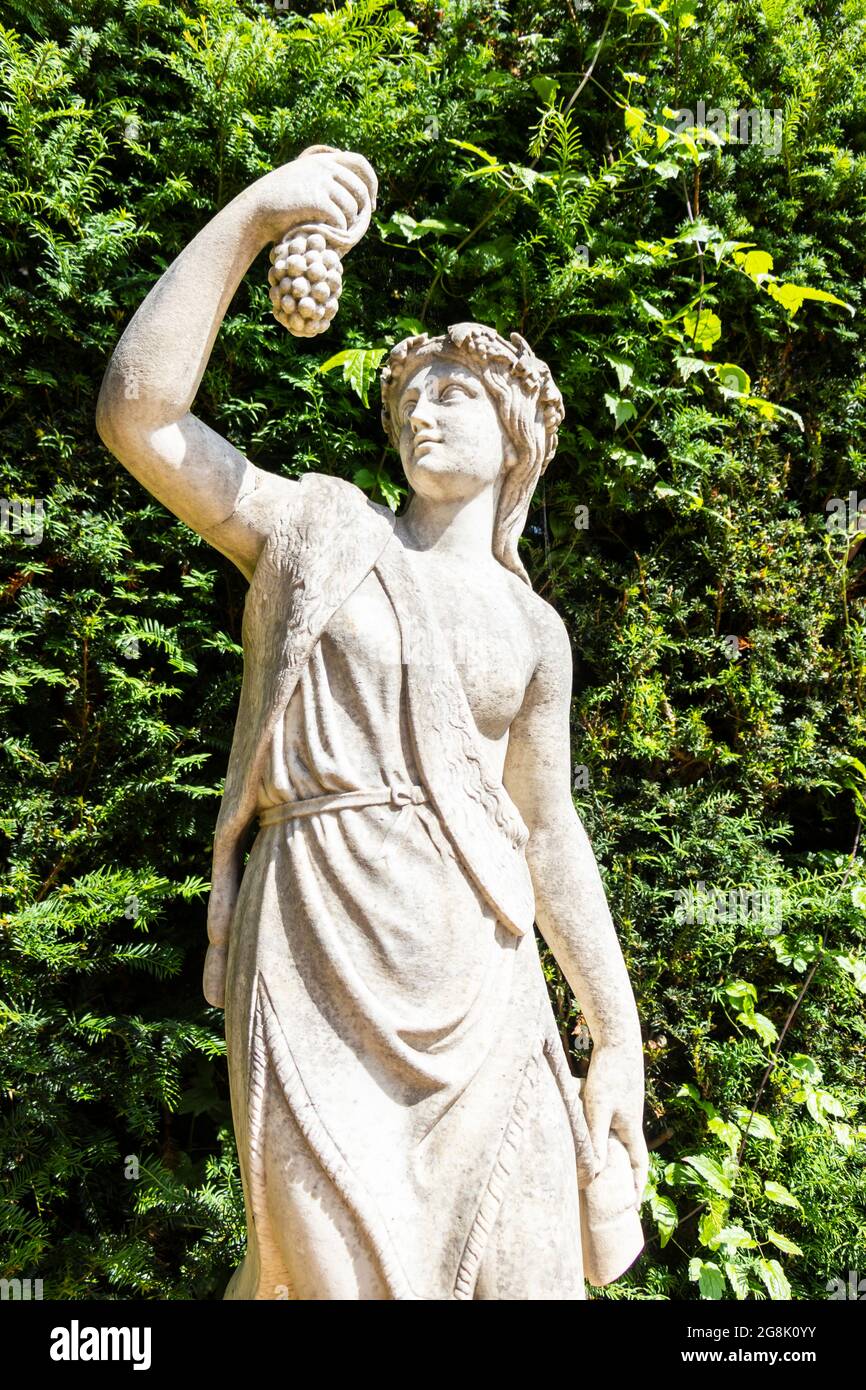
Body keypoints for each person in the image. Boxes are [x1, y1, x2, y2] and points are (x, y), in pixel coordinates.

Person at [96, 145, 648, 1301]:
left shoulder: (534, 631)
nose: (426, 412)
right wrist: (252, 215)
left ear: (519, 442)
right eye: (412, 397)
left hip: (478, 968)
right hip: (319, 931)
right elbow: (141, 418)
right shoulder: (318, 532)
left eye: (458, 395)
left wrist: (614, 1032)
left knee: (516, 1264)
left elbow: (545, 831)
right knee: (332, 1268)